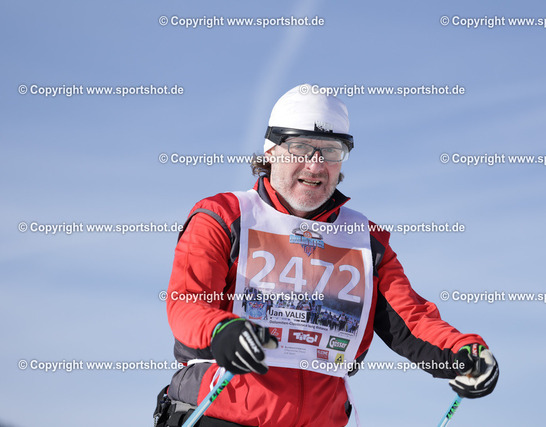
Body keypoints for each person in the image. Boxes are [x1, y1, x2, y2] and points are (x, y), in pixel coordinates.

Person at [154, 84, 499, 427]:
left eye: (331, 151)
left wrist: (466, 352)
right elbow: (187, 302)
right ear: (271, 150)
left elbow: (412, 320)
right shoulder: (225, 216)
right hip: (219, 414)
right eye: (300, 147)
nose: (316, 165)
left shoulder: (365, 241)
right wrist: (222, 330)